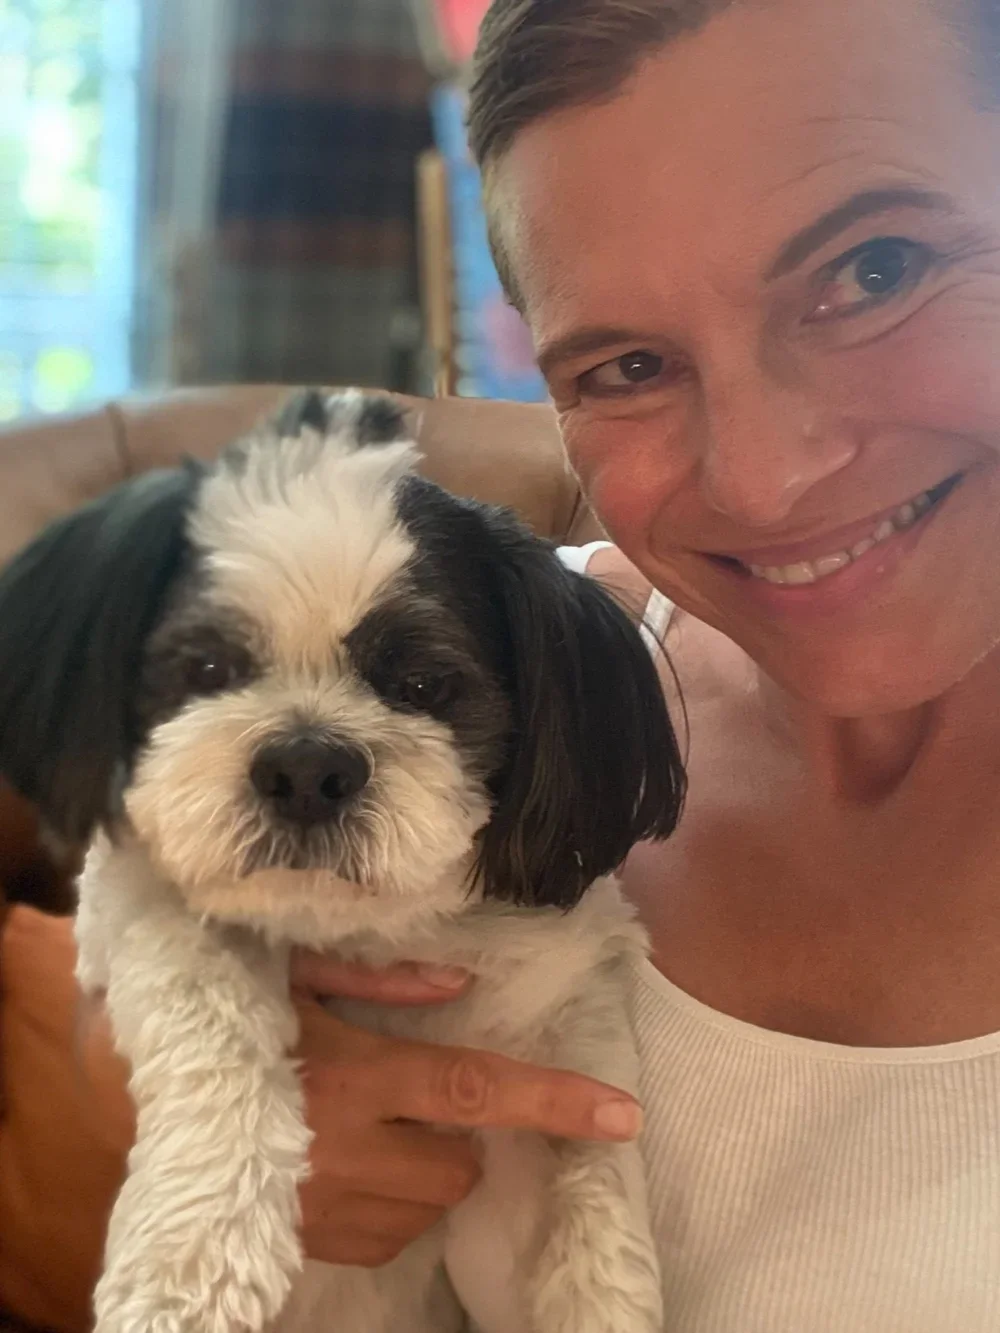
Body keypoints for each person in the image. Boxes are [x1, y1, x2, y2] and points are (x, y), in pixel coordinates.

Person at [6, 0, 1000, 1326]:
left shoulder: (521, 672)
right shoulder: (534, 641)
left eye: (876, 270)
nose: (764, 482)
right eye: (628, 363)